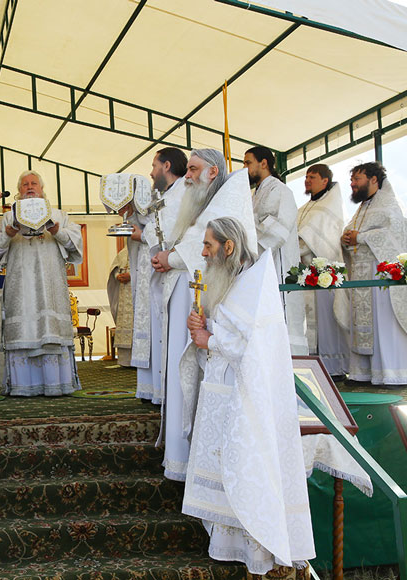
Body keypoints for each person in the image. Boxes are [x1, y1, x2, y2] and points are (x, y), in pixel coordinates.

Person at [180, 216, 315, 575]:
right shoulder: (234, 280)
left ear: (228, 247)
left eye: (209, 245)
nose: (204, 252)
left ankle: (255, 546)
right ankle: (227, 541)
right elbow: (230, 332)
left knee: (241, 462)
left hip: (243, 393)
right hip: (223, 386)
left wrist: (210, 339)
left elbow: (251, 345)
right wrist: (204, 328)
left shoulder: (253, 285)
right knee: (224, 462)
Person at [149, 149, 257, 481]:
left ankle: (191, 457)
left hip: (209, 308)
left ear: (213, 173)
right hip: (189, 297)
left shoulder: (225, 201)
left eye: (194, 170)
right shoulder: (199, 199)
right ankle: (182, 453)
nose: (188, 176)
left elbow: (203, 243)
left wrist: (172, 258)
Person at [335, 162, 407, 384]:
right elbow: (352, 233)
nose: (352, 184)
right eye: (352, 180)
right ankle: (365, 373)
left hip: (383, 278)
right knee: (369, 325)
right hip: (362, 277)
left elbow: (393, 237)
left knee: (385, 323)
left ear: (374, 180)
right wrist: (346, 239)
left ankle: (394, 373)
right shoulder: (362, 208)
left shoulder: (389, 206)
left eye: (357, 179)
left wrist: (361, 237)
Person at [0, 170, 83, 397]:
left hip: (51, 286)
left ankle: (55, 383)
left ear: (42, 189)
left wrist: (56, 230)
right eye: (25, 185)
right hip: (21, 287)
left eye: (34, 184)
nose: (30, 187)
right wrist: (8, 235)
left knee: (50, 329)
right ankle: (23, 386)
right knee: (24, 326)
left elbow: (75, 246)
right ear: (19, 191)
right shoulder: (9, 218)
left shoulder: (58, 215)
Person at [131, 148, 186, 401]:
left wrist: (141, 235)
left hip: (173, 274)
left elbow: (171, 232)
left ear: (166, 166)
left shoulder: (181, 194)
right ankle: (158, 390)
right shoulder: (167, 195)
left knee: (168, 332)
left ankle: (167, 393)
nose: (151, 172)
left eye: (154, 166)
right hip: (157, 270)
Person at [244, 146, 307, 355]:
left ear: (264, 163)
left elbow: (279, 226)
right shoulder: (255, 194)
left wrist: (251, 244)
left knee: (280, 312)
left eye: (248, 163)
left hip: (276, 262)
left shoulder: (280, 191)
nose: (245, 168)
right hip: (259, 263)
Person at [297, 164, 349, 376]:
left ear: (325, 181)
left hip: (325, 274)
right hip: (306, 273)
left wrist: (298, 245)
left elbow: (318, 237)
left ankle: (333, 369)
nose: (307, 180)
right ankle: (313, 367)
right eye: (306, 176)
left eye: (313, 177)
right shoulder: (304, 208)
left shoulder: (329, 206)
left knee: (326, 324)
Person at [107, 246, 133, 366]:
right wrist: (117, 275)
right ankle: (124, 360)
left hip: (137, 294)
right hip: (123, 292)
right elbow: (114, 268)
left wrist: (132, 276)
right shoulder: (124, 251)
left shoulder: (145, 250)